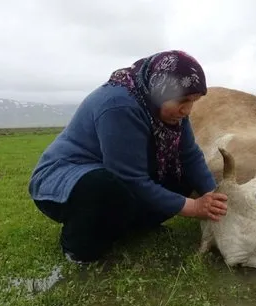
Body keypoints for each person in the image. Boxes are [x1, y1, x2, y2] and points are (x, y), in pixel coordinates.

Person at [28, 50, 228, 264]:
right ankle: (77, 248)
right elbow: (129, 178)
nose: (187, 110)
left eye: (194, 101)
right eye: (183, 100)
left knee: (182, 174)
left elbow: (189, 156)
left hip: (114, 177)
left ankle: (130, 228)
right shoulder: (119, 105)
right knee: (104, 186)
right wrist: (193, 207)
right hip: (66, 180)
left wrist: (215, 196)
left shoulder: (171, 111)